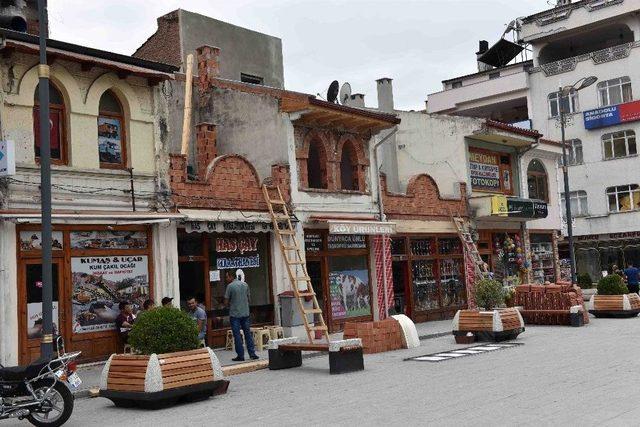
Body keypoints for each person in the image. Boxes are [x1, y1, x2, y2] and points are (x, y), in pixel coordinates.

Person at [224, 270, 258, 361]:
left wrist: (229, 304)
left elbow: (226, 301)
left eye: (227, 277)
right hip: (245, 313)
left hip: (235, 315)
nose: (226, 279)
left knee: (237, 335)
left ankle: (241, 356)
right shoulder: (245, 285)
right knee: (248, 334)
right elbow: (249, 299)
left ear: (231, 277)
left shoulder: (230, 286)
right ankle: (252, 353)